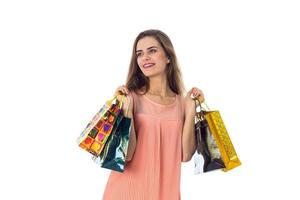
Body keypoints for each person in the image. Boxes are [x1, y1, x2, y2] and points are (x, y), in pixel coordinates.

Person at [102, 29, 205, 200]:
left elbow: (185, 156)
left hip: (166, 194)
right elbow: (126, 156)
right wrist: (127, 111)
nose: (145, 58)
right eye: (139, 54)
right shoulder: (131, 98)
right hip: (126, 193)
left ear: (168, 57)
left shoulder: (182, 103)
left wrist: (191, 110)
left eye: (152, 50)